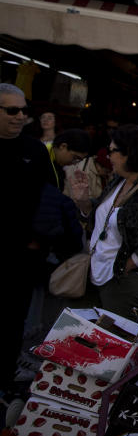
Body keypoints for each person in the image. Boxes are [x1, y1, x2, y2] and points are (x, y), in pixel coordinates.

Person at [72, 125, 138, 321]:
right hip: (97, 272)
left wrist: (127, 265)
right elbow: (105, 218)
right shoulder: (118, 181)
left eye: (112, 150)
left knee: (111, 341)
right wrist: (84, 202)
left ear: (129, 153)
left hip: (125, 281)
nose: (108, 155)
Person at [0, 83, 57, 391]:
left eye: (24, 110)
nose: (20, 116)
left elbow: (50, 200)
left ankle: (4, 385)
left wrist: (36, 242)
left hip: (19, 259)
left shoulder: (33, 151)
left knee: (11, 325)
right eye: (12, 110)